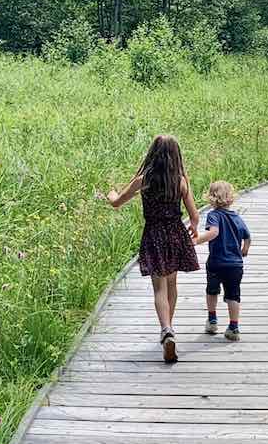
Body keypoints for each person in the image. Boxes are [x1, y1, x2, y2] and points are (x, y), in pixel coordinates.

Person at [106, 135, 199, 362]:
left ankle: (166, 328)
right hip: (175, 234)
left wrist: (111, 195)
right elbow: (194, 216)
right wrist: (194, 228)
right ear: (176, 156)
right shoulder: (180, 181)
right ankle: (168, 329)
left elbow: (117, 201)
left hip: (154, 234)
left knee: (159, 289)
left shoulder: (143, 179)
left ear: (152, 155)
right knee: (171, 284)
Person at [193, 181, 252, 341]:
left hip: (216, 263)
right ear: (231, 198)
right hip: (235, 265)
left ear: (211, 198)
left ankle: (212, 320)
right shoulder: (237, 217)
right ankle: (233, 327)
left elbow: (213, 232)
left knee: (212, 290)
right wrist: (244, 250)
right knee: (233, 296)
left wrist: (196, 241)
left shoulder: (214, 215)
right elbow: (248, 236)